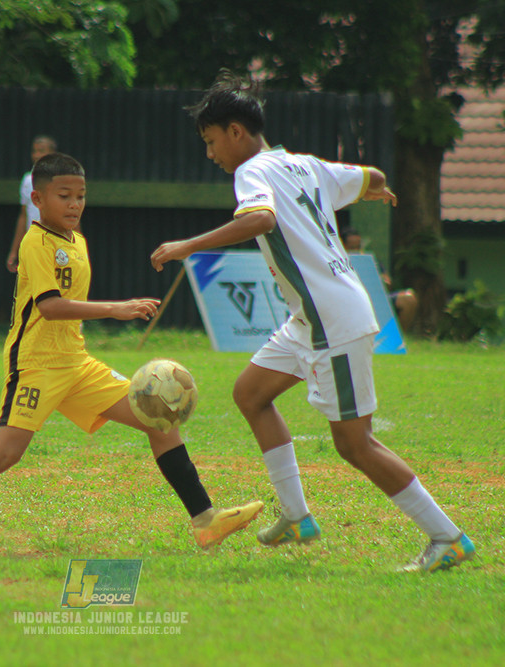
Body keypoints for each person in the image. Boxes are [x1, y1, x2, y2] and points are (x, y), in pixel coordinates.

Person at [149, 70, 474, 573]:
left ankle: (446, 536)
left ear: (237, 132)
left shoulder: (251, 172)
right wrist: (375, 192)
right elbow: (374, 177)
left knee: (354, 443)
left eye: (212, 141)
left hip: (332, 319)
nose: (211, 154)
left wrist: (187, 246)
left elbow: (259, 219)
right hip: (311, 317)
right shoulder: (306, 165)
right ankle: (297, 517)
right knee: (250, 394)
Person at [0, 152, 264, 555]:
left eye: (81, 196)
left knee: (158, 418)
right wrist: (115, 308)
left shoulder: (77, 241)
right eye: (64, 195)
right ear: (37, 199)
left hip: (78, 364)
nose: (74, 204)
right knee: (4, 455)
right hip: (36, 365)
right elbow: (49, 307)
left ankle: (205, 521)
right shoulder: (36, 242)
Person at [340, 227, 418, 331]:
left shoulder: (370, 260)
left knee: (409, 299)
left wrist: (380, 281)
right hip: (352, 300)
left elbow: (388, 283)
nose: (356, 251)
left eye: (358, 247)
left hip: (377, 298)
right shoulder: (339, 264)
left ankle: (398, 338)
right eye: (352, 247)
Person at [5, 135, 58, 273]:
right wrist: (14, 251)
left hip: (56, 243)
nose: (36, 155)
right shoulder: (28, 180)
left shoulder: (60, 180)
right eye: (34, 151)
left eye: (41, 151)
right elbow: (23, 216)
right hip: (34, 243)